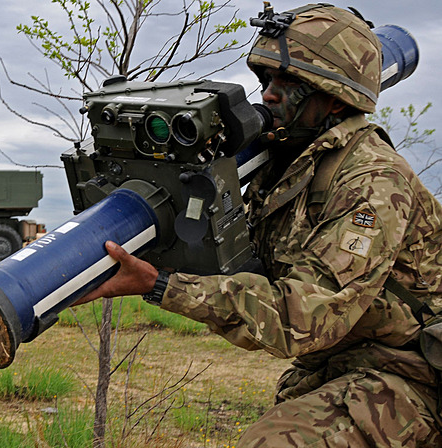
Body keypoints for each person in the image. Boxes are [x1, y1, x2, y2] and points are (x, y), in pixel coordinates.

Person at [75, 3, 442, 446]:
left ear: (334, 96)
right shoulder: (286, 165)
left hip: (414, 372)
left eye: (290, 82)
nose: (268, 94)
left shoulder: (373, 182)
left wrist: (161, 285)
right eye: (266, 79)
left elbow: (305, 317)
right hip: (344, 364)